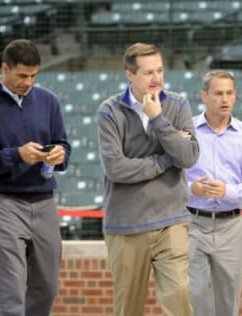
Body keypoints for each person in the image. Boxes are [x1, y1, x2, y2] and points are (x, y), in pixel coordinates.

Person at [0, 39, 71, 316]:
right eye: (22, 75)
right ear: (4, 68)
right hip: (3, 203)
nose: (28, 82)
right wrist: (16, 155)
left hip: (44, 201)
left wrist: (60, 155)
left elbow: (63, 144)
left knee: (47, 287)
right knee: (13, 294)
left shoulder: (49, 100)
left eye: (34, 75)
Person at [96, 42, 199, 316]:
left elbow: (188, 157)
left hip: (172, 220)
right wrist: (165, 159)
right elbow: (116, 169)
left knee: (180, 297)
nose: (156, 79)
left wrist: (159, 120)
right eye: (148, 72)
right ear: (130, 74)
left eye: (160, 70)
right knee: (128, 309)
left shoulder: (177, 105)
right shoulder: (109, 111)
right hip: (126, 226)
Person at [185, 70, 242, 316]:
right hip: (191, 224)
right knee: (193, 292)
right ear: (204, 96)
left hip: (231, 226)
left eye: (229, 93)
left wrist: (227, 191)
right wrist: (192, 189)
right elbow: (170, 178)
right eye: (218, 93)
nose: (224, 99)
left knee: (228, 298)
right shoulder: (186, 133)